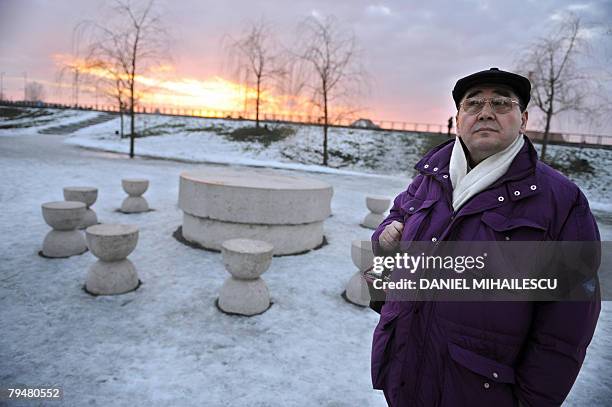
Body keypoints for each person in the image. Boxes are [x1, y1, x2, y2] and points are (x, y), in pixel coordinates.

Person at [370, 68, 601, 406]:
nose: (486, 111)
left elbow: (565, 330)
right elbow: (394, 223)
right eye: (473, 103)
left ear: (522, 119)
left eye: (501, 103)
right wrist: (384, 241)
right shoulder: (429, 179)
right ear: (458, 119)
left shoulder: (562, 202)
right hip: (404, 374)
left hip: (479, 391)